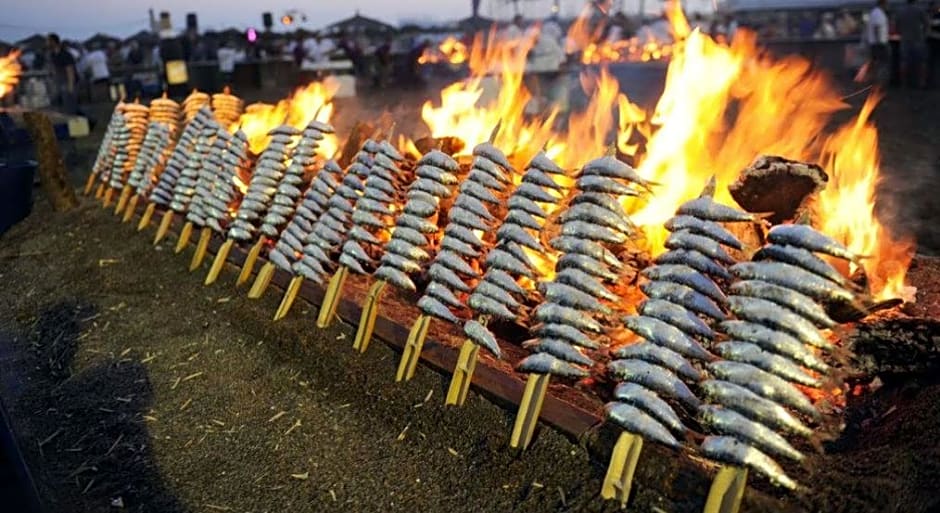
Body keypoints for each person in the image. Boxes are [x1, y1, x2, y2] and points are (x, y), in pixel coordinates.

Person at [896, 0, 929, 87]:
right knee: (921, 62)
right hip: (918, 39)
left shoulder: (901, 11)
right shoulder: (920, 10)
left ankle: (903, 82)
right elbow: (927, 24)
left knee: (903, 62)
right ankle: (921, 82)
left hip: (905, 40)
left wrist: (902, 33)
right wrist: (924, 35)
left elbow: (897, 26)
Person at [47, 33, 78, 114]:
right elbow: (54, 68)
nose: (47, 43)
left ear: (53, 41)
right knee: (60, 104)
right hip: (59, 82)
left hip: (68, 82)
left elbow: (70, 70)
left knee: (70, 105)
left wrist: (70, 86)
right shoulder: (52, 54)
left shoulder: (65, 54)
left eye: (48, 41)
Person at [864, 0, 890, 84]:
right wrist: (879, 42)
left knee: (876, 63)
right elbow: (877, 28)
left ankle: (875, 81)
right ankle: (878, 81)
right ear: (883, 4)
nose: (887, 6)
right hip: (879, 44)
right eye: (886, 4)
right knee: (879, 63)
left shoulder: (875, 13)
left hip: (876, 43)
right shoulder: (878, 13)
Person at [929, 1, 940, 86]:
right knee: (933, 63)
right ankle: (934, 81)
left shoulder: (935, 16)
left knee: (935, 62)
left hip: (936, 41)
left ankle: (935, 81)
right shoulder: (932, 16)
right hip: (933, 42)